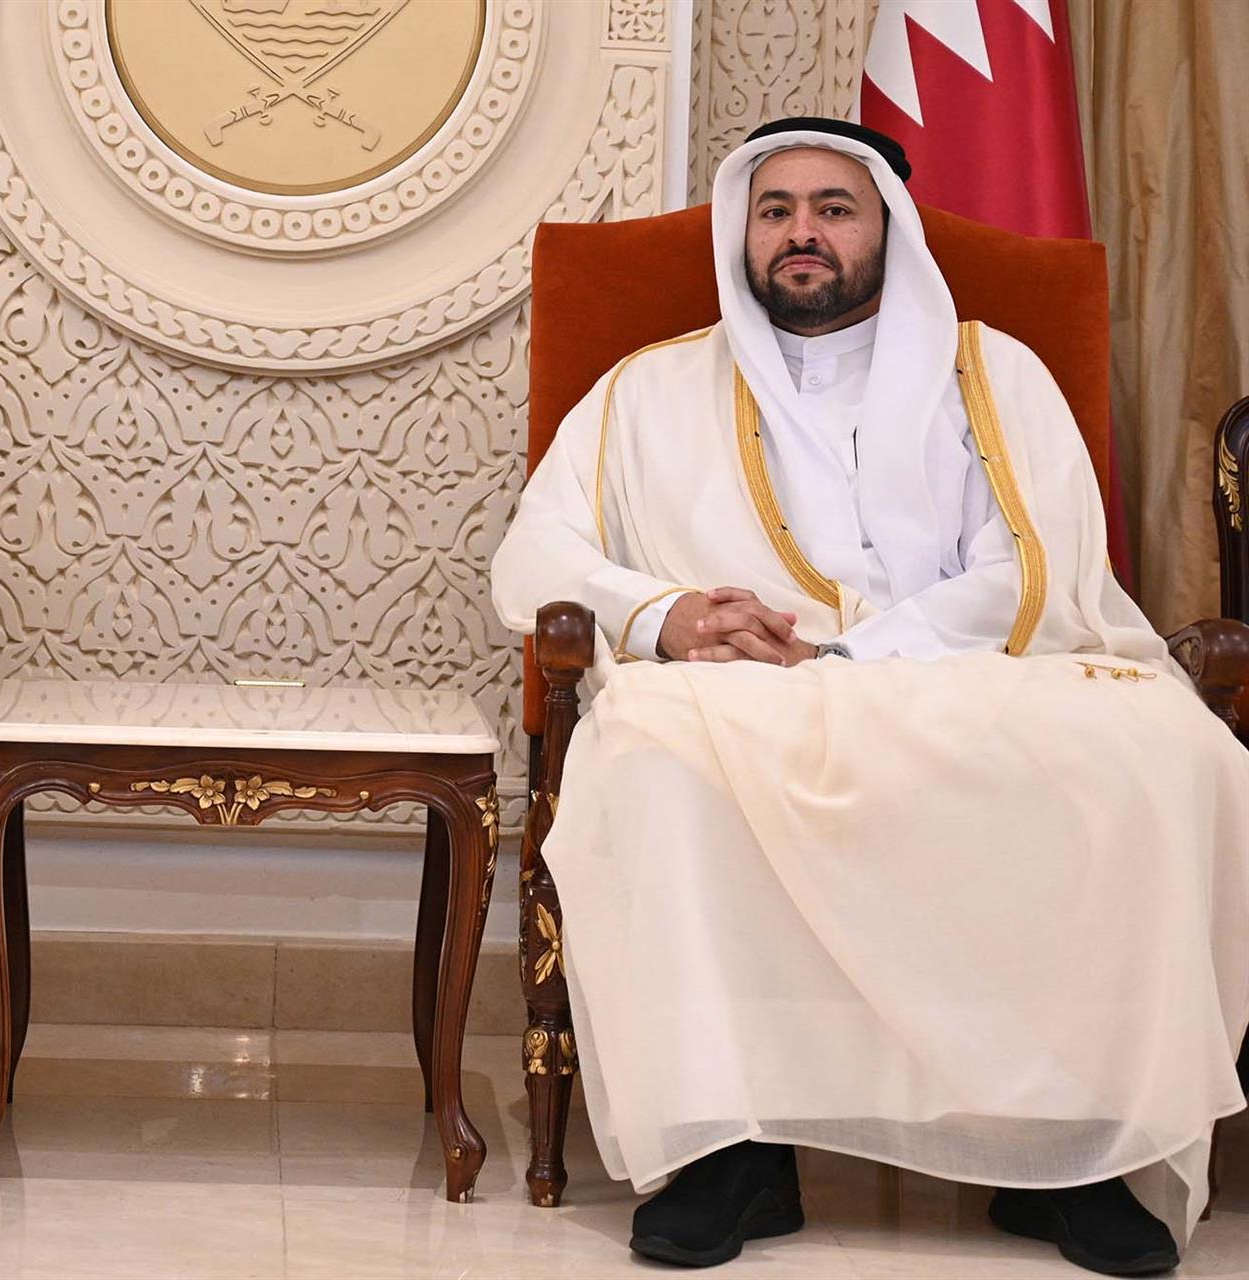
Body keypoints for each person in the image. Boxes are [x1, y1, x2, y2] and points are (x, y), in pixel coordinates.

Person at [491, 117, 1249, 1275]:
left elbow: (1032, 566)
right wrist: (667, 615)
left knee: (1156, 749)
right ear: (742, 233)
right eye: (776, 210)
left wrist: (858, 654)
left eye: (833, 209)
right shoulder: (650, 390)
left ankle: (1069, 1149)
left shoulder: (994, 374)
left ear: (888, 229)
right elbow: (535, 554)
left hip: (969, 671)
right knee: (646, 748)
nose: (802, 232)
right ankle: (733, 1148)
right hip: (735, 689)